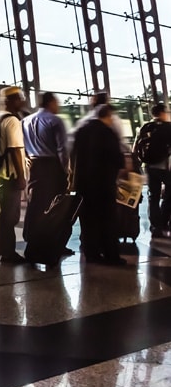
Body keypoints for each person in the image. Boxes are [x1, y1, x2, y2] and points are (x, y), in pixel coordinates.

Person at [73, 104, 126, 265]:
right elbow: (117, 159)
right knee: (108, 220)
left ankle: (91, 253)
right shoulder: (107, 132)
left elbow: (73, 155)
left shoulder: (81, 130)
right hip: (103, 184)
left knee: (88, 220)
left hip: (83, 184)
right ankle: (111, 255)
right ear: (108, 116)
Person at [0, 86, 28, 264]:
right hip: (9, 175)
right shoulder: (12, 121)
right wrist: (21, 176)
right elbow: (15, 150)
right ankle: (7, 252)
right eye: (19, 98)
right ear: (10, 100)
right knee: (8, 216)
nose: (22, 101)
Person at [21, 92, 71, 253]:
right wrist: (67, 171)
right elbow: (62, 149)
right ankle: (55, 242)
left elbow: (21, 145)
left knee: (35, 203)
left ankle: (31, 238)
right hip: (52, 166)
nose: (58, 105)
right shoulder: (55, 121)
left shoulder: (25, 121)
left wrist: (27, 158)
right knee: (56, 206)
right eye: (56, 102)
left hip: (33, 166)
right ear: (50, 103)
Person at [132, 104, 171, 237]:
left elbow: (135, 148)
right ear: (163, 113)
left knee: (153, 195)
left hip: (148, 166)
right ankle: (164, 220)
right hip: (166, 167)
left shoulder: (145, 127)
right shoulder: (168, 127)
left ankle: (155, 225)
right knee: (169, 194)